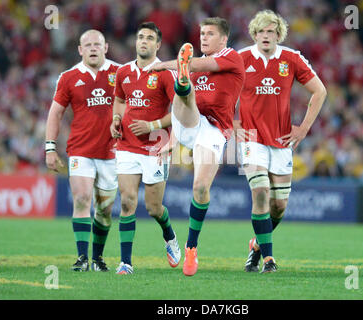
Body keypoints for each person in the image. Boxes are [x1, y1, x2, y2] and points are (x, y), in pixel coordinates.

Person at [152, 17, 246, 276]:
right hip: (189, 121)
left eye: (210, 34)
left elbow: (199, 62)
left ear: (223, 39)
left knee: (201, 187)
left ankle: (191, 247)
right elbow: (193, 65)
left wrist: (159, 66)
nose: (203, 37)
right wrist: (171, 140)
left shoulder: (231, 57)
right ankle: (182, 84)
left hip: (215, 130)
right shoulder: (194, 66)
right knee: (187, 93)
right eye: (202, 33)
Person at [236, 10, 327, 273]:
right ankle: (268, 259)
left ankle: (256, 246)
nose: (266, 36)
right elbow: (218, 90)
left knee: (279, 206)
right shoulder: (240, 58)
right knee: (261, 192)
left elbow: (320, 91)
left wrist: (304, 128)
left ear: (279, 34)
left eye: (271, 31)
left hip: (282, 140)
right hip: (252, 139)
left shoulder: (291, 58)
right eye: (261, 31)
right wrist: (230, 122)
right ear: (254, 34)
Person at [45, 30, 120, 272]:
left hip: (112, 152)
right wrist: (50, 147)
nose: (93, 48)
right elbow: (55, 113)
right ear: (80, 50)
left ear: (106, 47)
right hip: (80, 150)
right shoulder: (68, 77)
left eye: (97, 44)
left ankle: (97, 258)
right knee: (81, 198)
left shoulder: (120, 73)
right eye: (87, 45)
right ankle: (82, 258)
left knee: (105, 210)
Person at [110, 22, 181, 275]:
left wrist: (152, 125)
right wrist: (116, 120)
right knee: (127, 202)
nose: (144, 41)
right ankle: (126, 263)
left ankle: (169, 235)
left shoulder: (164, 73)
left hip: (156, 147)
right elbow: (119, 100)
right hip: (127, 145)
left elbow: (181, 111)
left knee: (153, 208)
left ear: (158, 44)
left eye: (150, 38)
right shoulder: (124, 72)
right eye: (140, 37)